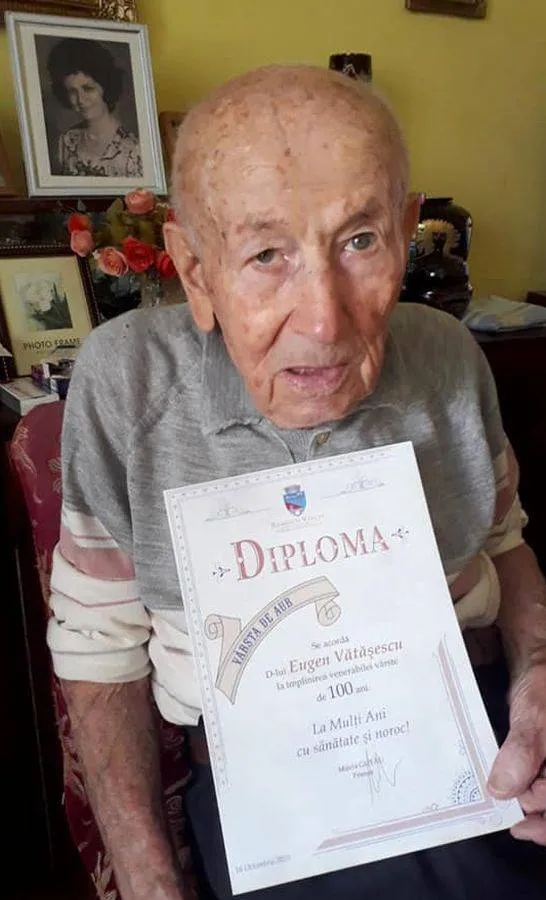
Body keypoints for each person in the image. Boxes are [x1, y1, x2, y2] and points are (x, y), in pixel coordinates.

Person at [47, 66, 546, 900]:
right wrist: (148, 880)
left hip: (482, 745)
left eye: (360, 241)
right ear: (194, 271)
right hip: (270, 801)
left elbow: (508, 544)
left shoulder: (448, 357)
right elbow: (100, 648)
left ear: (406, 231)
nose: (324, 319)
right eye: (266, 254)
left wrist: (536, 686)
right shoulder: (127, 383)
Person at [46, 38, 142, 178]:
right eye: (72, 92)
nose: (80, 99)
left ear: (106, 87)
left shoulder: (133, 150)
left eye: (88, 88)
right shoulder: (66, 141)